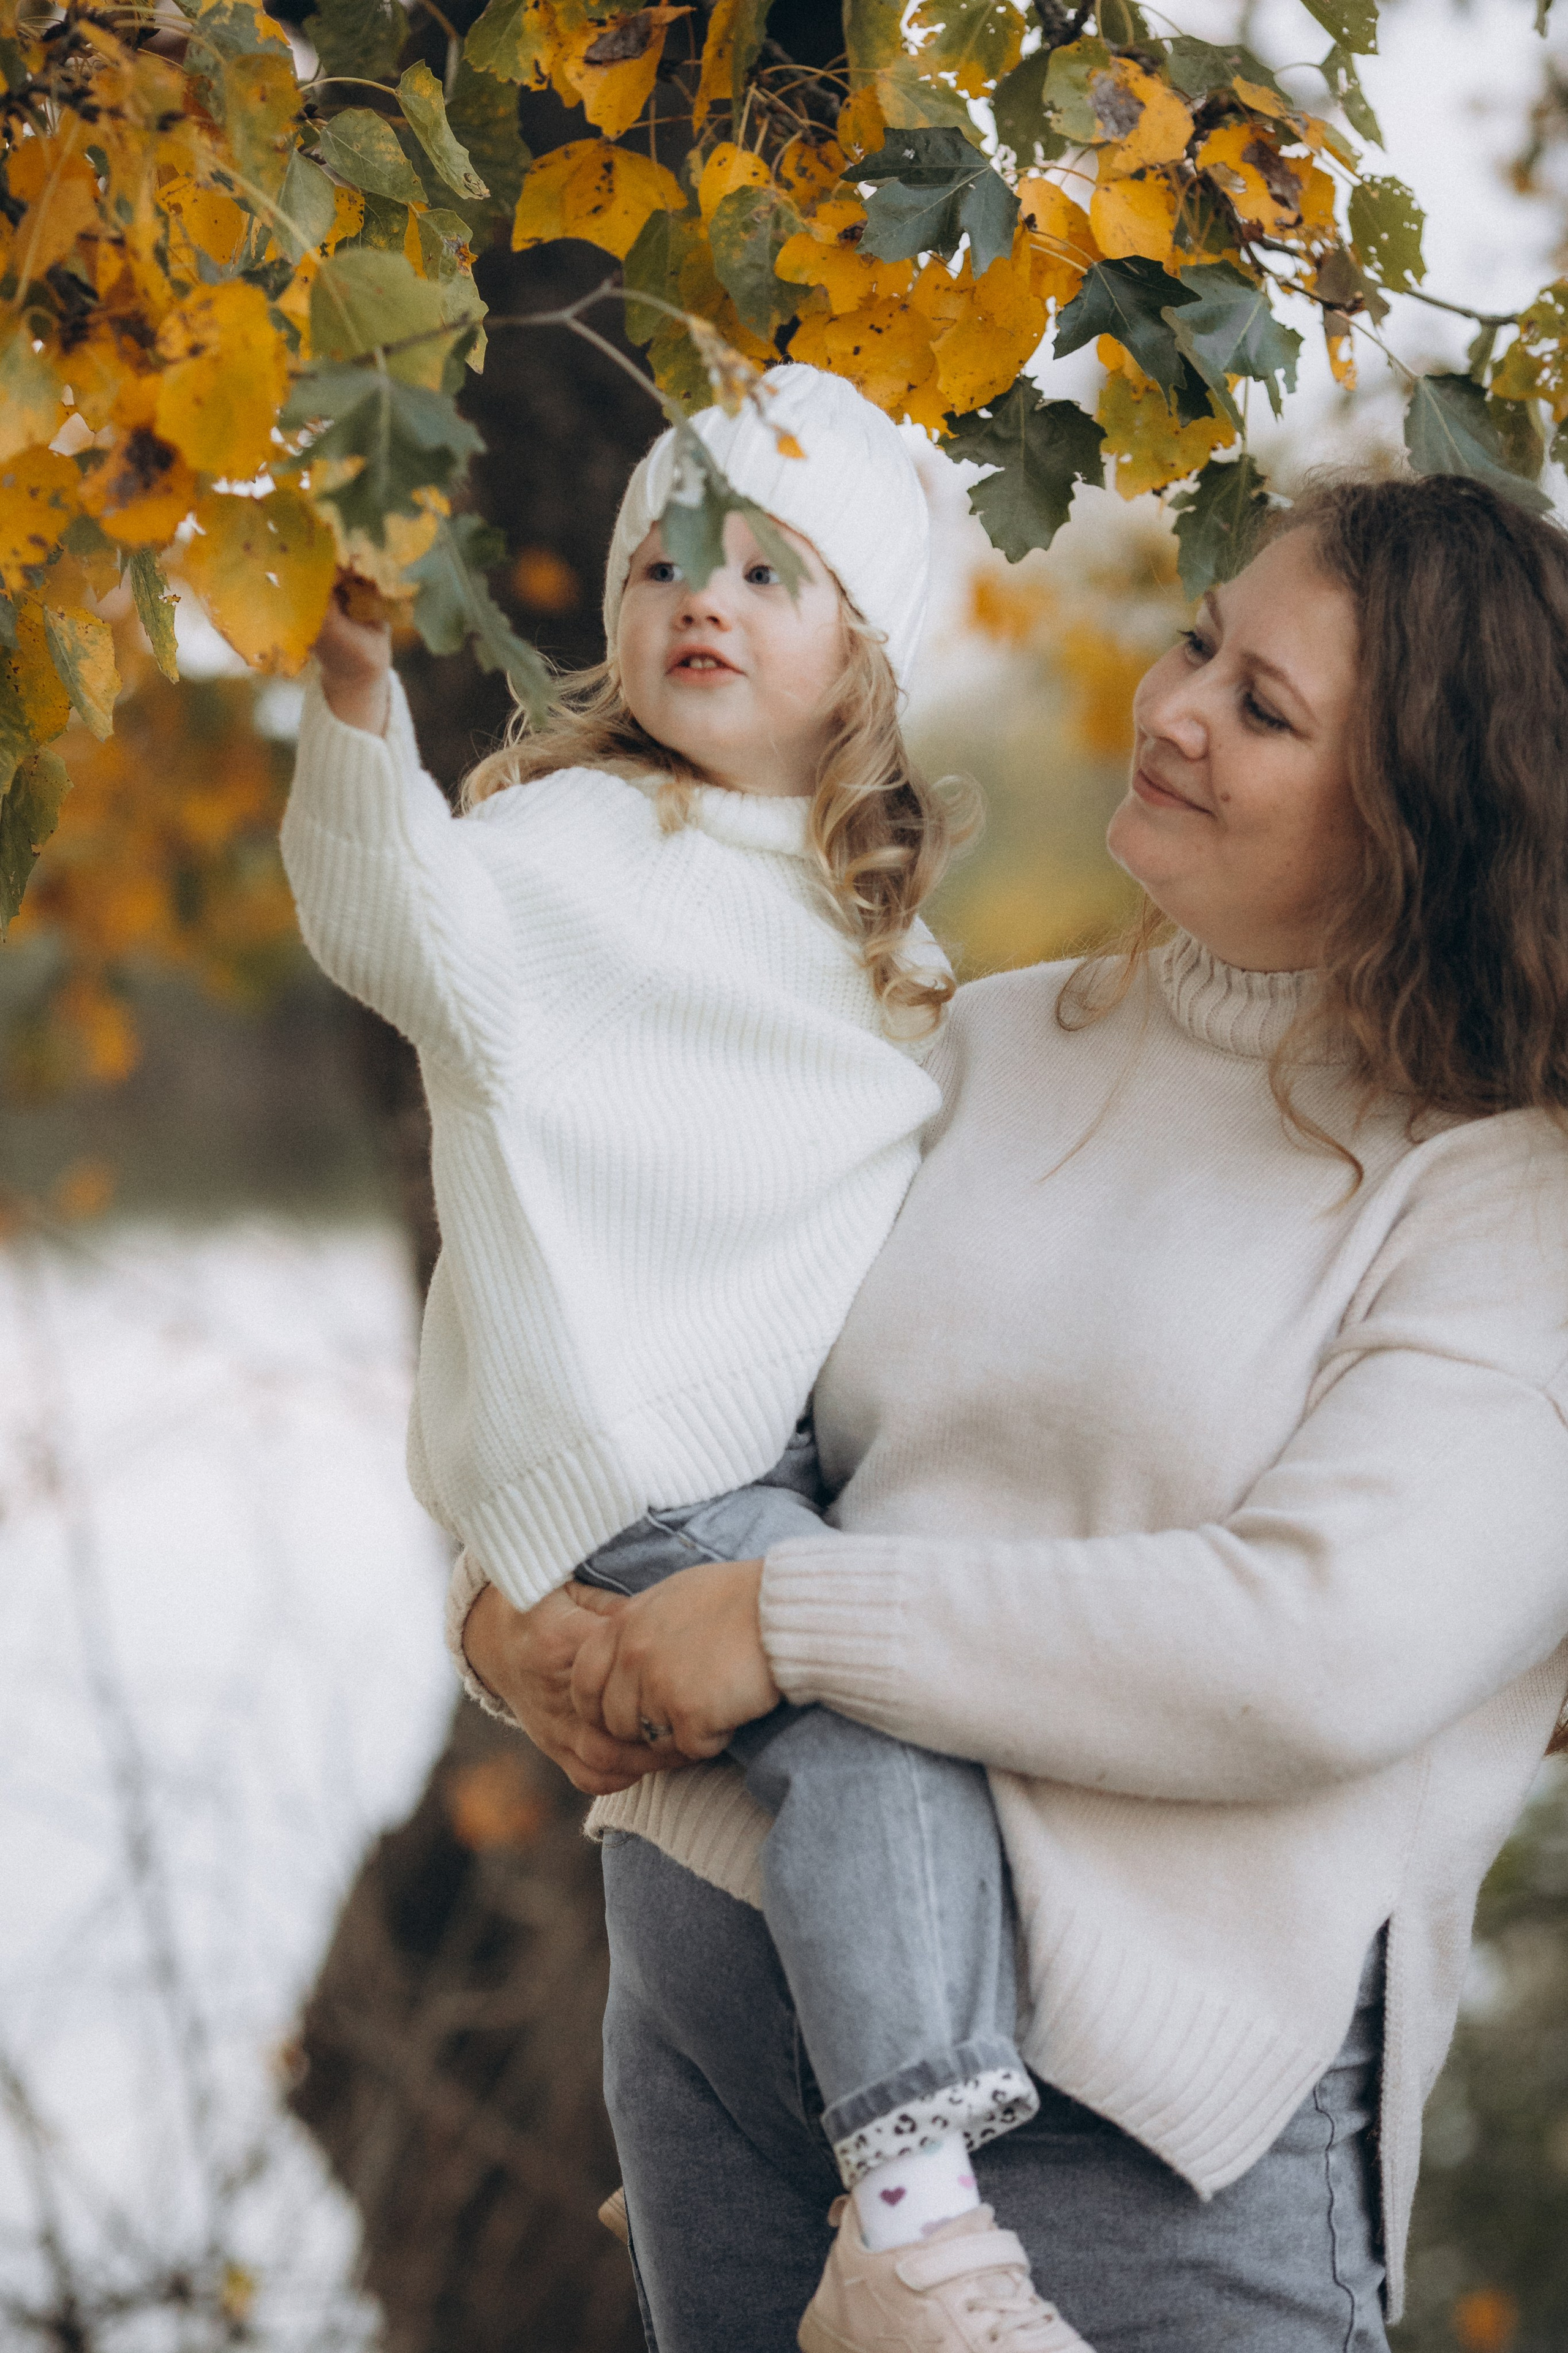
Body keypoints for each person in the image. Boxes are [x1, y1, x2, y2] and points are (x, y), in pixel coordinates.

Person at [464, 473, 1568, 2353]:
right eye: (1202, 639)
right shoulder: (966, 1039)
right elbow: (673, 1392)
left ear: (1427, 828)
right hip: (726, 2066)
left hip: (1131, 2174)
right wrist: (518, 1618)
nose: (1175, 704)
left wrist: (782, 1622)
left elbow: (1314, 1645)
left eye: (1266, 707)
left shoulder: (1503, 1197)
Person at [282, 364, 1086, 2352]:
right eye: (657, 560)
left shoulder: (878, 948)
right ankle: (913, 2213)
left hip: (769, 1479)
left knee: (891, 1756)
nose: (694, 596)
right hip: (638, 1469)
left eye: (761, 570)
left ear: (867, 670)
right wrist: (359, 695)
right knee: (875, 1724)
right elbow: (409, 933)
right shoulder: (573, 849)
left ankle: (800, 2166)